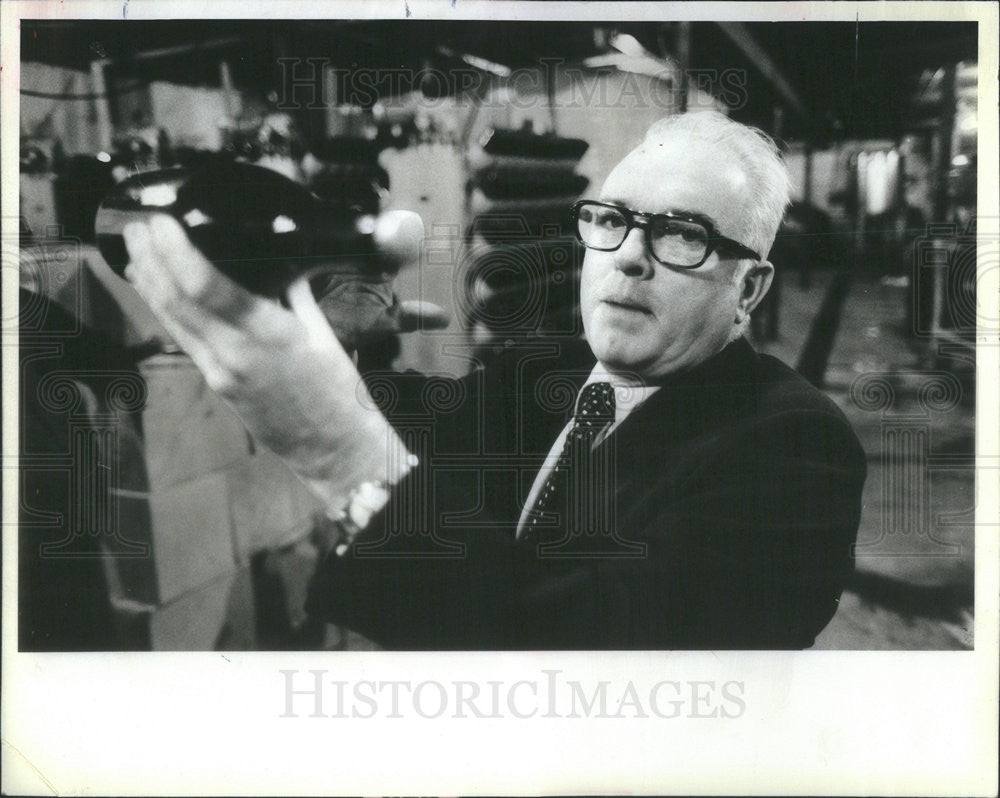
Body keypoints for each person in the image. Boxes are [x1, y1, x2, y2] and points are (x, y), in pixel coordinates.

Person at [121, 111, 867, 650]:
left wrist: (346, 460)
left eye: (683, 235)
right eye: (611, 220)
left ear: (750, 290)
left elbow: (593, 662)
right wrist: (326, 349)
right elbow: (421, 423)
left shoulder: (793, 449)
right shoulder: (552, 370)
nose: (629, 257)